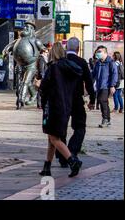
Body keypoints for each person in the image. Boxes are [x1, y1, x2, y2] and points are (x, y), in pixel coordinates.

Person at [39, 42, 83, 178]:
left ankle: (72, 161)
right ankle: (47, 166)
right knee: (52, 137)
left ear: (53, 53)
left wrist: (38, 86)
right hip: (66, 106)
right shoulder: (70, 69)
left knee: (54, 138)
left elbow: (44, 88)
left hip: (53, 106)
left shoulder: (53, 68)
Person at [55, 37, 96, 168]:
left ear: (66, 48)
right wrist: (92, 100)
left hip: (62, 99)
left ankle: (63, 156)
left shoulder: (60, 62)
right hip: (77, 99)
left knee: (61, 128)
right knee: (80, 127)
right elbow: (89, 82)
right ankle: (72, 150)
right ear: (78, 49)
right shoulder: (82, 62)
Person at [92, 46, 118, 128]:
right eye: (97, 51)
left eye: (99, 52)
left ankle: (105, 119)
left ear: (105, 53)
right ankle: (108, 120)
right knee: (104, 102)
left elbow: (114, 74)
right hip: (99, 86)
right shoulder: (98, 63)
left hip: (106, 86)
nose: (97, 53)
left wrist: (112, 85)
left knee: (102, 101)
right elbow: (93, 73)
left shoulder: (110, 62)